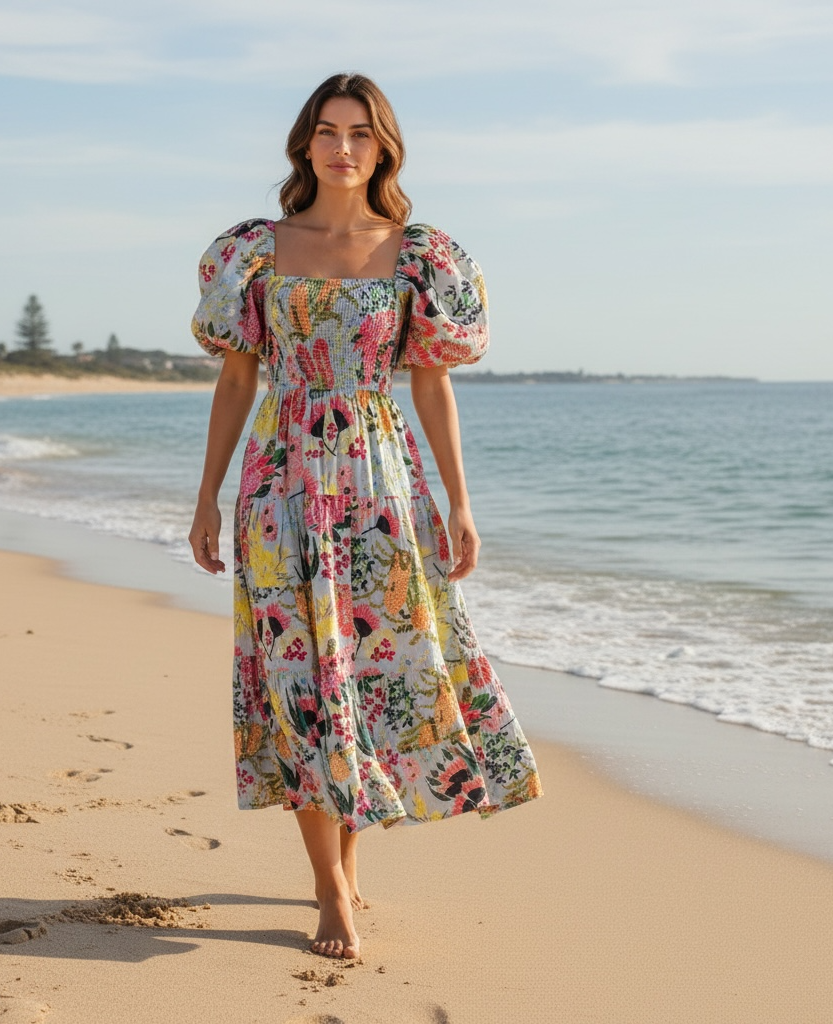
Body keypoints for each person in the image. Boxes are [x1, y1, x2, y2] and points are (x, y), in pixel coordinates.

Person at [189, 72, 542, 961]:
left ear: (383, 148)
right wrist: (207, 495)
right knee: (302, 685)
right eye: (327, 131)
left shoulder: (421, 255)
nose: (342, 148)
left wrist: (460, 501)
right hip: (279, 483)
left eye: (360, 134)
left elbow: (433, 382)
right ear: (304, 143)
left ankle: (344, 868)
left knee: (365, 682)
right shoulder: (253, 251)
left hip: (383, 485)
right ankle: (330, 887)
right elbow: (237, 380)